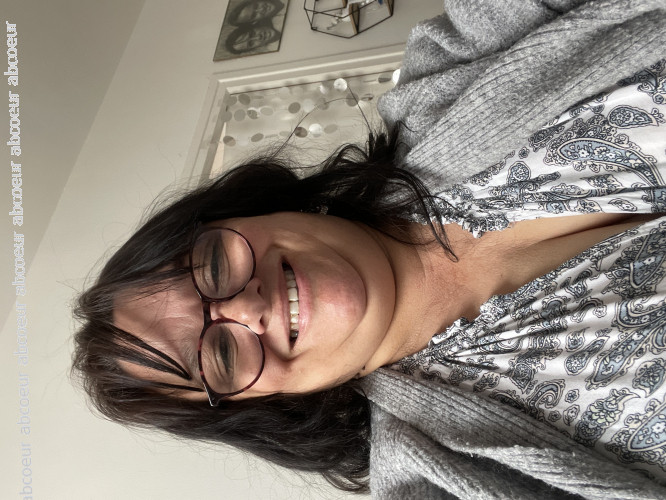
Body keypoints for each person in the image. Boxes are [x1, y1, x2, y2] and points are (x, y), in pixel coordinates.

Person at [73, 0, 666, 498]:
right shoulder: (438, 477)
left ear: (241, 212)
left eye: (210, 265)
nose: (247, 307)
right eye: (221, 356)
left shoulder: (441, 82)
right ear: (264, 404)